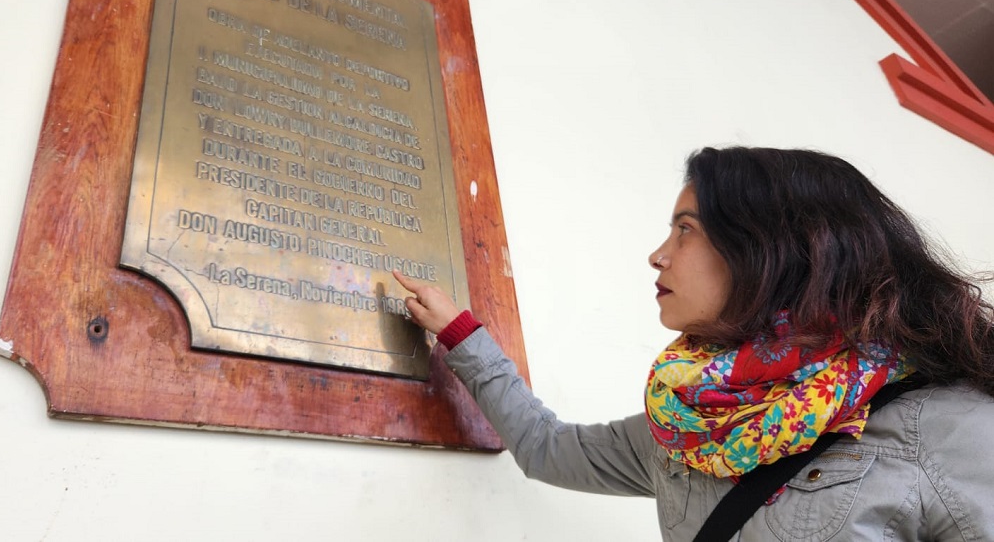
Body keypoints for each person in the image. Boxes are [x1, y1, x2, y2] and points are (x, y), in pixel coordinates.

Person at [394, 146, 994, 541]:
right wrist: (461, 333)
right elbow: (546, 448)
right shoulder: (689, 424)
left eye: (686, 229)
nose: (658, 255)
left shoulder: (946, 425)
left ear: (771, 249)